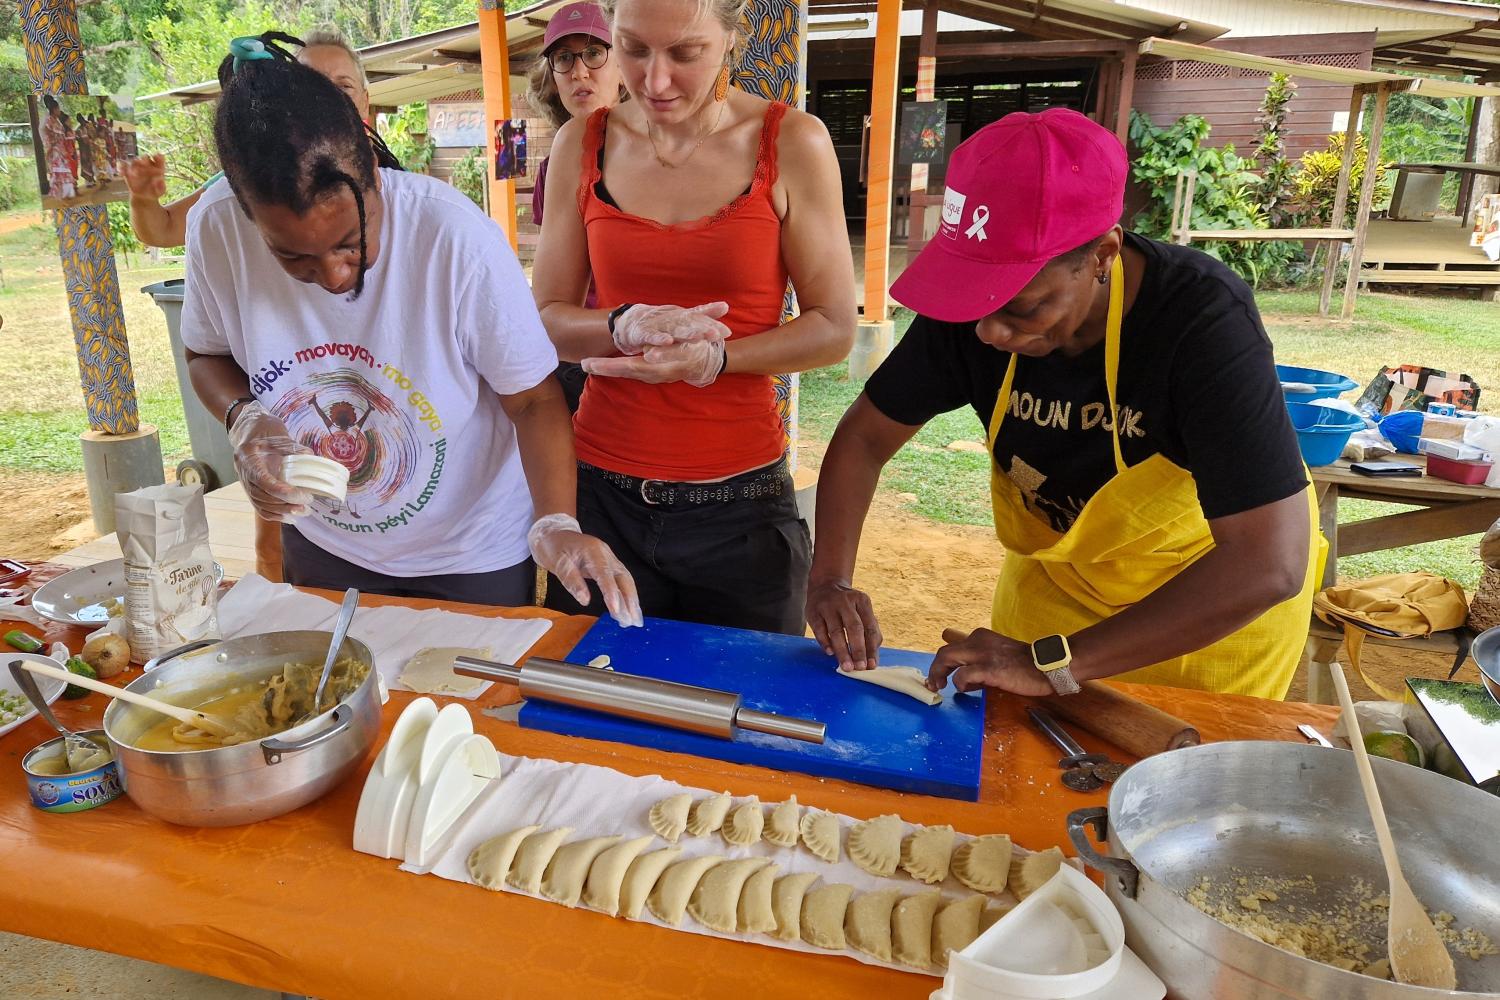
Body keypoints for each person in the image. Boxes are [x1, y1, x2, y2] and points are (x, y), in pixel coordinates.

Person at [806, 109, 1322, 700]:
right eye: (975, 303)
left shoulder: (1201, 322)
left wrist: (1053, 663)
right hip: (1057, 586)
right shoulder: (976, 305)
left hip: (1207, 605)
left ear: (1103, 254)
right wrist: (829, 578)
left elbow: (1267, 562)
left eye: (1022, 308)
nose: (988, 333)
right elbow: (865, 438)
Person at [179, 41, 641, 623]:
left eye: (352, 242)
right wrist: (244, 416)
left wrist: (554, 523)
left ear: (373, 173)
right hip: (326, 542)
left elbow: (532, 399)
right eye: (294, 258)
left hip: (470, 552)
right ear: (243, 210)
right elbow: (204, 353)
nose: (334, 275)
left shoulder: (451, 236)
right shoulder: (216, 229)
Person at [531, 0, 856, 635]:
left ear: (730, 40)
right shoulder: (583, 142)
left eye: (685, 53)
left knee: (745, 717)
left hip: (740, 512)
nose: (655, 82)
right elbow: (546, 318)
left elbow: (834, 326)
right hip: (604, 500)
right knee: (596, 713)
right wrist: (622, 324)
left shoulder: (791, 142)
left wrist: (720, 358)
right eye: (632, 48)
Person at [122, 28, 399, 249]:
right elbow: (163, 229)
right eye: (312, 85)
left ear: (365, 101)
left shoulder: (404, 188)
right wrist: (143, 199)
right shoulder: (251, 181)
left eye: (344, 86)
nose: (328, 98)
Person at [526, 0, 627, 411]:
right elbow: (551, 290)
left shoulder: (661, 158)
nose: (580, 72)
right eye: (564, 58)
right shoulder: (553, 168)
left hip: (651, 351)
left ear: (624, 63)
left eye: (594, 53)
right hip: (576, 356)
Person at [41, 97, 77, 201]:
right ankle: (62, 198)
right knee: (60, 174)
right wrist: (50, 150)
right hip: (55, 152)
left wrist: (65, 149)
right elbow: (47, 136)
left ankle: (65, 196)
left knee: (65, 172)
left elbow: (61, 137)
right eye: (58, 108)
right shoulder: (48, 121)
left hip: (61, 151)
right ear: (54, 109)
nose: (59, 110)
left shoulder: (57, 121)